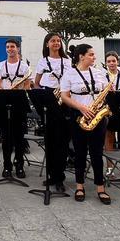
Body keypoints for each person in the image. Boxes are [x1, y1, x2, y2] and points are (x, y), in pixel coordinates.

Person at [61, 44, 111, 204]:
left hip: (97, 115)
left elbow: (105, 92)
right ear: (81, 56)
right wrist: (82, 108)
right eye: (91, 54)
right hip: (79, 115)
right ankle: (79, 186)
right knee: (80, 152)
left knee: (97, 152)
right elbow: (65, 96)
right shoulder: (69, 74)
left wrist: (99, 107)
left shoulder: (98, 73)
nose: (94, 57)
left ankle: (100, 187)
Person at [34, 33, 72, 191]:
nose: (56, 43)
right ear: (47, 44)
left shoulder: (68, 61)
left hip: (64, 100)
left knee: (62, 141)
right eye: (53, 41)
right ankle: (51, 175)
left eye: (58, 41)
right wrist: (43, 96)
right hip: (49, 99)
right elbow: (36, 83)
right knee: (50, 140)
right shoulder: (42, 61)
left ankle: (59, 176)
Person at [0, 38, 32, 178]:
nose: (10, 49)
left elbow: (27, 85)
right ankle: (7, 165)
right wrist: (3, 91)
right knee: (5, 136)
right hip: (4, 103)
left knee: (19, 136)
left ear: (18, 48)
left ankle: (19, 165)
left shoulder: (24, 66)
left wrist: (20, 89)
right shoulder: (0, 66)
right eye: (7, 47)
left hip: (19, 103)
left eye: (12, 46)